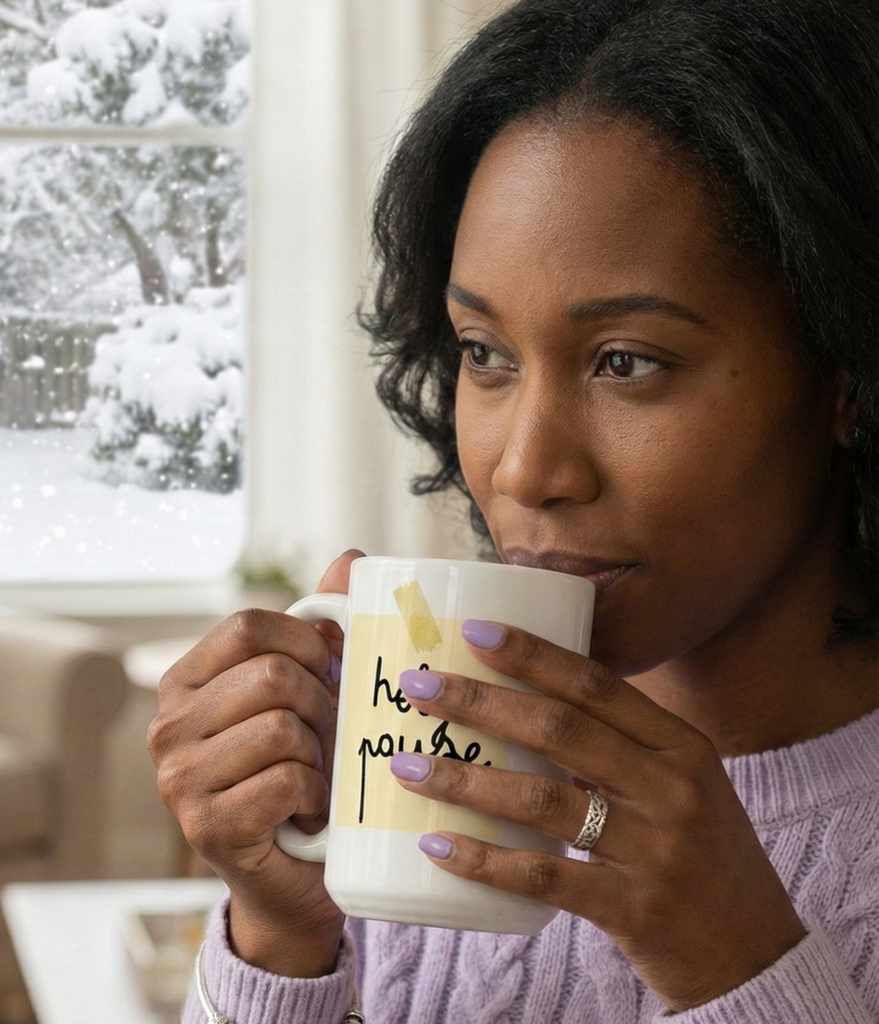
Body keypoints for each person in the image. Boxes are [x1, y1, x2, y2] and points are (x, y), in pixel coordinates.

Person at [147, 0, 879, 1020]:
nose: (523, 470)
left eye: (626, 362)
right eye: (484, 354)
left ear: (847, 374)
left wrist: (742, 971)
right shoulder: (412, 767)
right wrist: (281, 941)